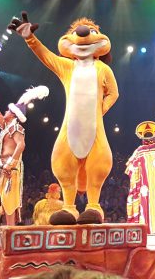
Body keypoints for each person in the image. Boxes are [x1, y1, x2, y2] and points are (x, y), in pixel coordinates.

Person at [9, 14, 118, 224]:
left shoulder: (103, 69)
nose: (83, 35)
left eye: (91, 32)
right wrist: (30, 38)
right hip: (70, 129)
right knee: (63, 163)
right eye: (77, 32)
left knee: (98, 165)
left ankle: (93, 206)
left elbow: (114, 93)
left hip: (95, 131)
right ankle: (69, 207)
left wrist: (100, 110)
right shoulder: (67, 66)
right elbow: (46, 56)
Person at [0, 86, 48, 227]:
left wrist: (10, 164)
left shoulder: (17, 128)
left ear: (12, 115)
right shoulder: (7, 127)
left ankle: (10, 229)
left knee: (9, 199)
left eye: (7, 111)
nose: (4, 112)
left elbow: (21, 145)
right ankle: (7, 228)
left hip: (11, 168)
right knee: (3, 198)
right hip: (4, 167)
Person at [125, 110, 155, 235]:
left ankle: (145, 228)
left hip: (144, 186)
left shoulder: (139, 150)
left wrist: (136, 178)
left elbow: (130, 168)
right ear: (153, 136)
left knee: (145, 205)